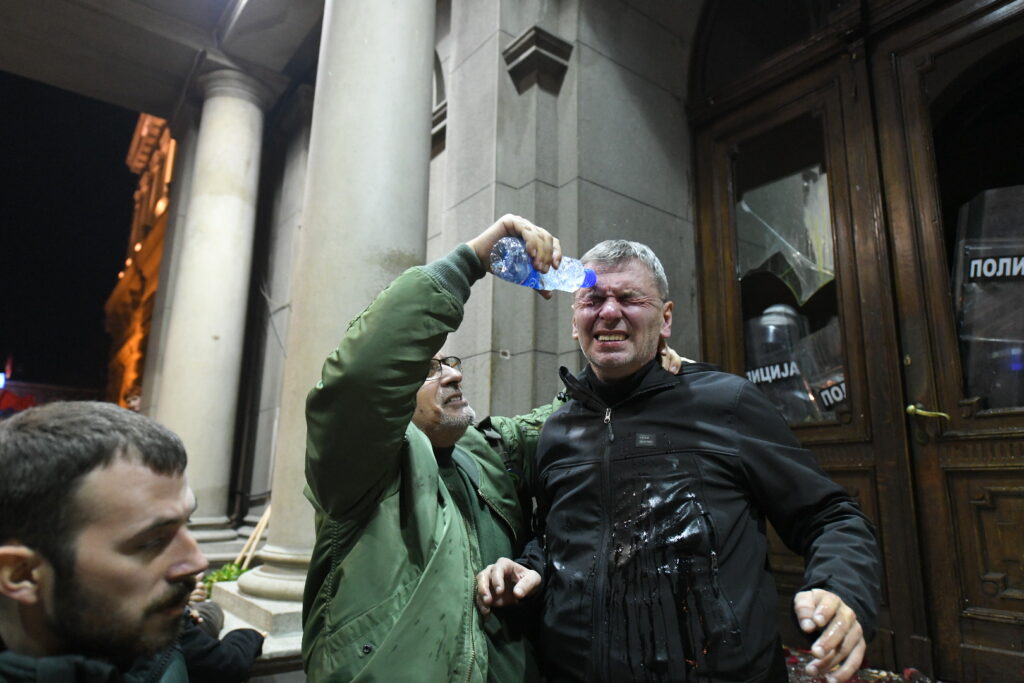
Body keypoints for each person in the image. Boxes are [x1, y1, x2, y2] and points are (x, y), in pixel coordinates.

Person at [476, 240, 881, 683]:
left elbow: (832, 517)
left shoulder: (728, 403)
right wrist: (530, 567)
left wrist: (841, 589)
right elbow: (559, 538)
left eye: (630, 298)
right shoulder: (557, 431)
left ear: (666, 318)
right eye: (592, 300)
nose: (609, 312)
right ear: (575, 322)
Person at [301, 216, 685, 682]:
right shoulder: (360, 470)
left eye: (451, 363)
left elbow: (575, 415)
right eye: (429, 370)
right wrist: (473, 260)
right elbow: (361, 377)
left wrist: (636, 366)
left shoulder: (487, 453)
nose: (453, 375)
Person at [0, 400, 208, 682]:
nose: (198, 562)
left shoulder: (135, 636)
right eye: (151, 542)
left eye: (187, 523)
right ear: (22, 573)